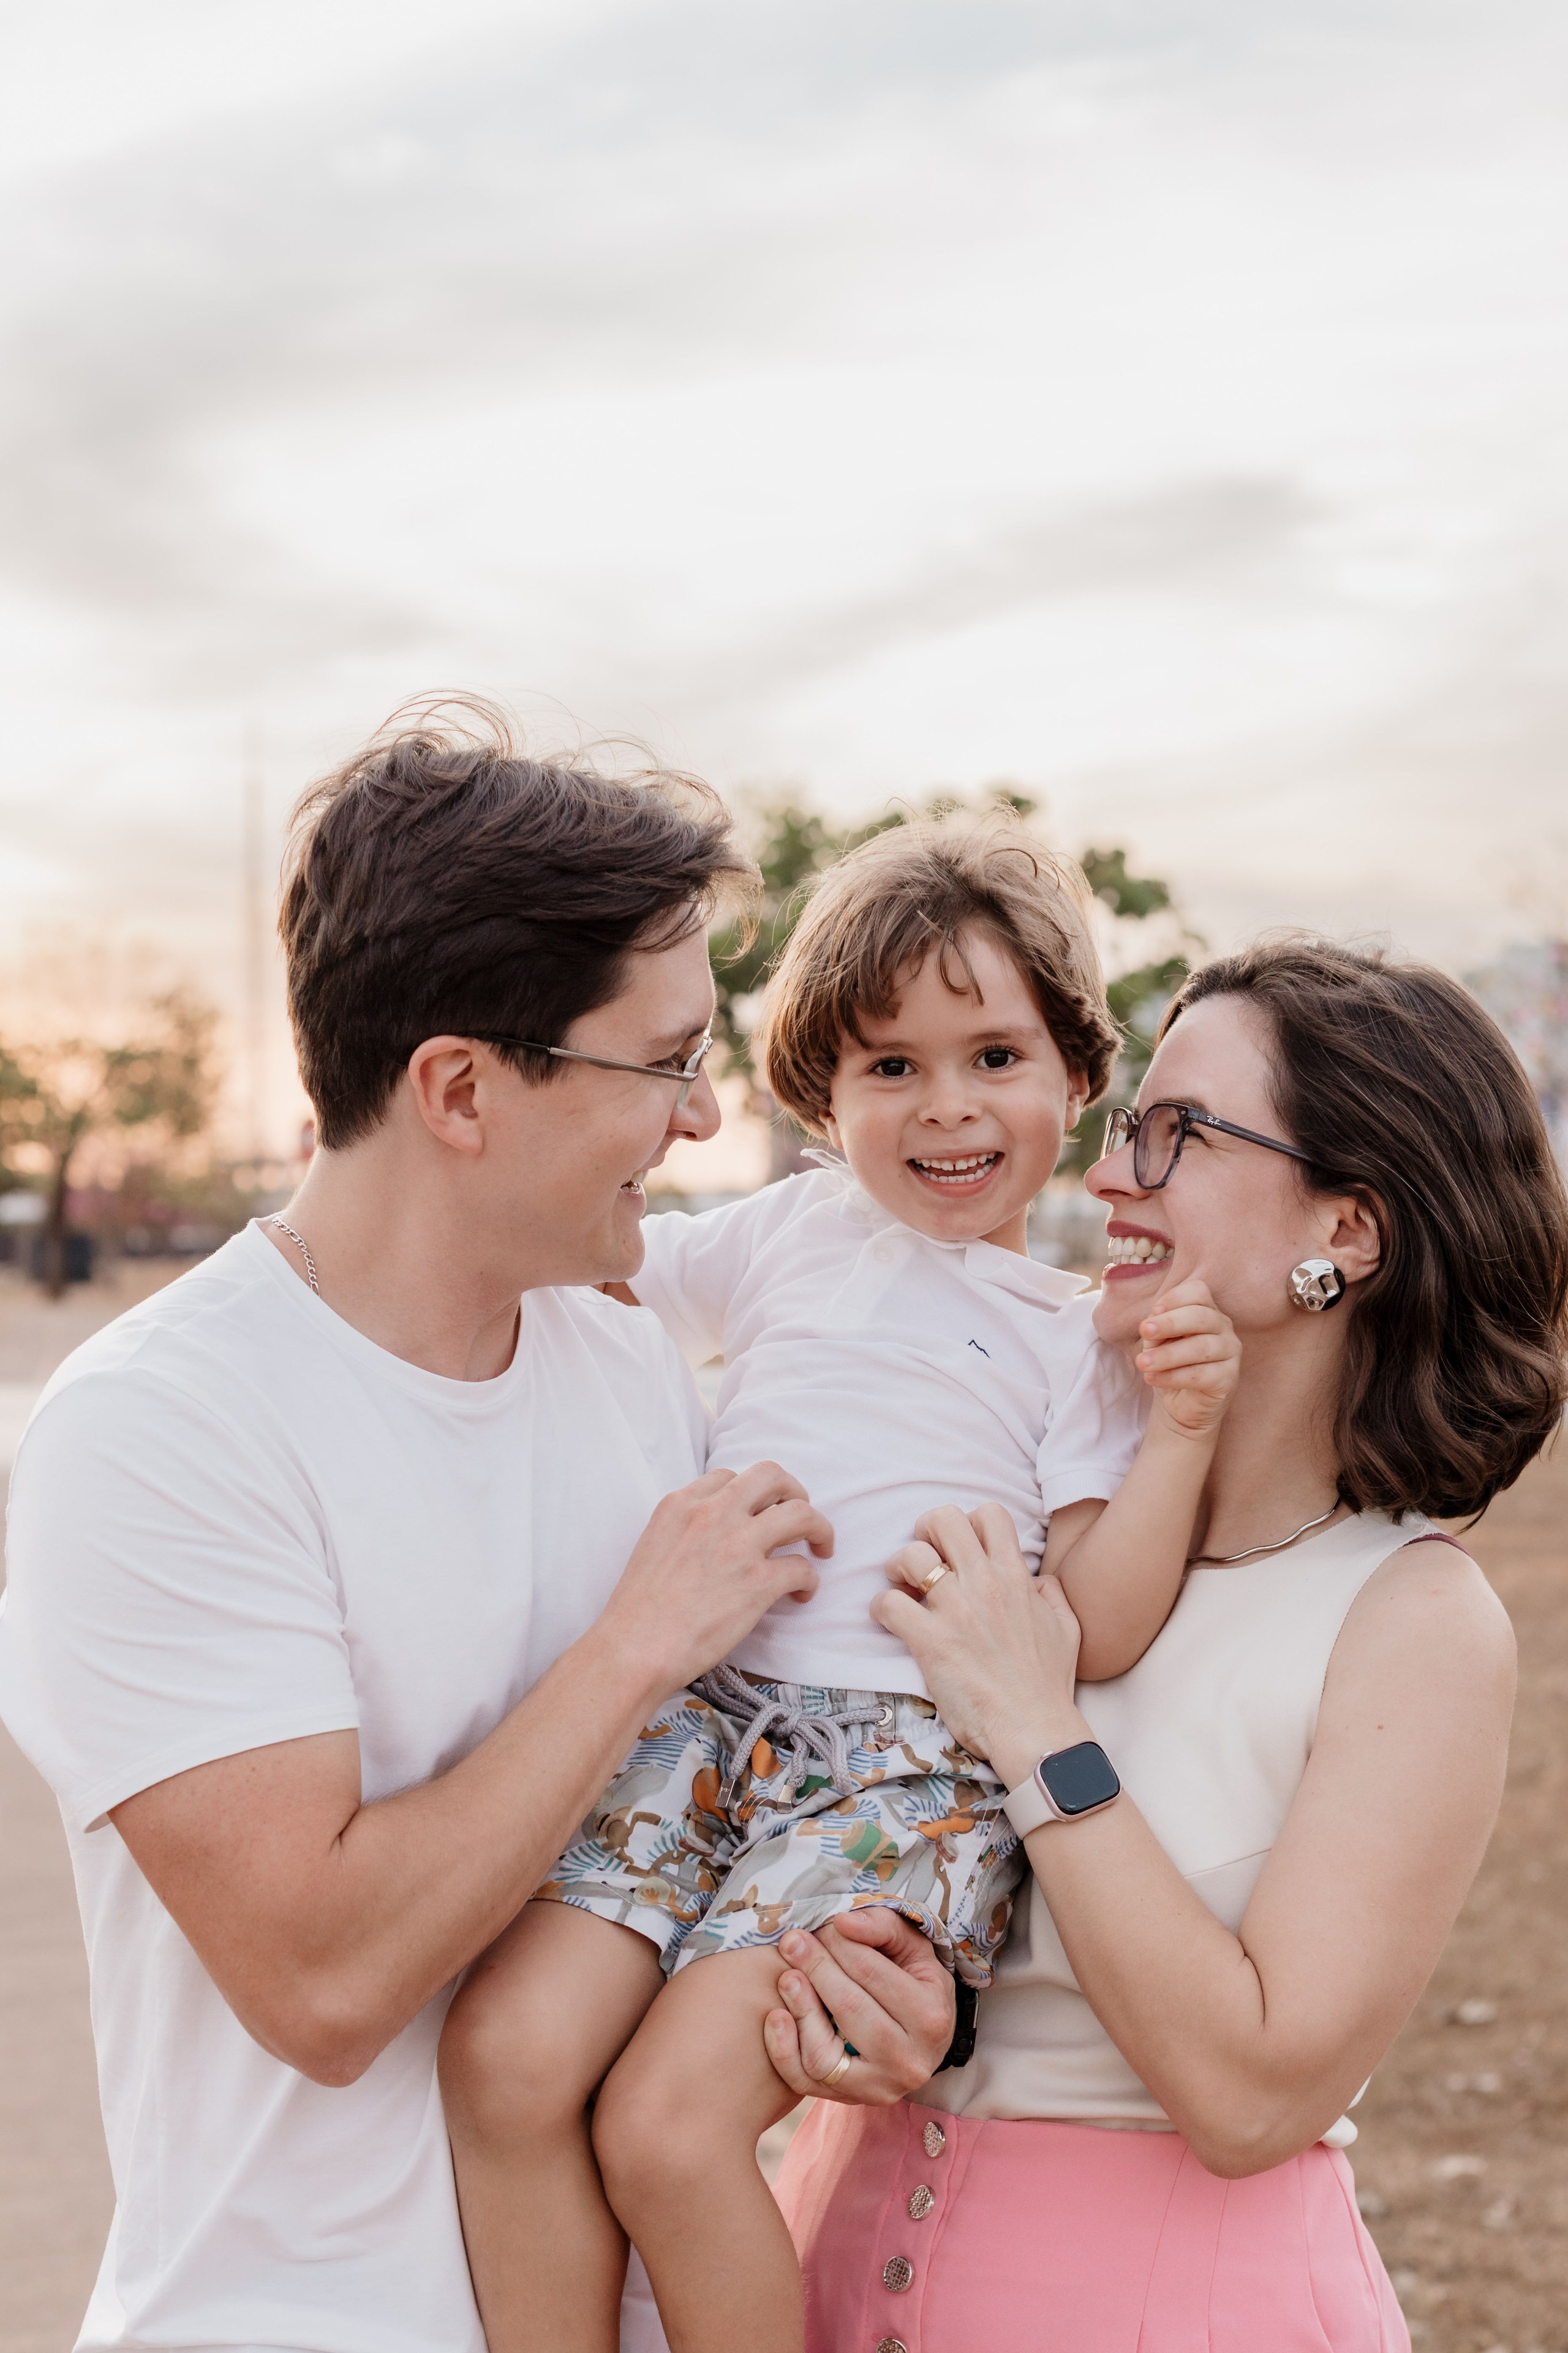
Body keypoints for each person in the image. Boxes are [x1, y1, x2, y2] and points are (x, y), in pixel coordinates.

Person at [0, 705, 954, 2353]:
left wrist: (860, 1969)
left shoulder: (622, 1356)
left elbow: (706, 1821)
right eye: (663, 1063)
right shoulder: (155, 1429)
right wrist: (632, 1647)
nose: (705, 1117)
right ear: (458, 1088)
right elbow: (325, 1985)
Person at [439, 818, 1244, 2353]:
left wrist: (1182, 1432)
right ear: (819, 1099)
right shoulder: (785, 1234)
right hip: (698, 1716)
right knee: (505, 2055)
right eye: (888, 1067)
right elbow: (594, 1268)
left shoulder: (1072, 1337)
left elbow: (1102, 1617)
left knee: (671, 2131)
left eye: (993, 1055)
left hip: (900, 1770)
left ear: (1075, 1076)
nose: (946, 1107)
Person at [766, 935, 1568, 2352]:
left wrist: (1036, 1731)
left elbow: (1252, 2095)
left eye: (1175, 1134)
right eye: (1126, 1126)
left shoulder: (1409, 1622)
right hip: (815, 2279)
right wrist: (899, 2019)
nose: (1106, 1176)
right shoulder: (1010, 1488)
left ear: (1344, 1232)